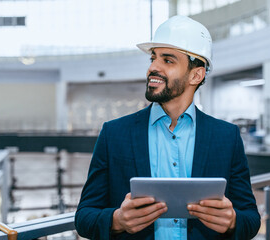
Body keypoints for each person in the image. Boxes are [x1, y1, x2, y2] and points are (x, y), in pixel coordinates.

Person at [75, 15, 260, 240]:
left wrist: (232, 221)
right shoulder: (114, 133)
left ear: (196, 74)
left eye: (168, 60)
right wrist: (116, 221)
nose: (153, 67)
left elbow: (250, 219)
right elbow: (84, 217)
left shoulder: (226, 137)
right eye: (153, 58)